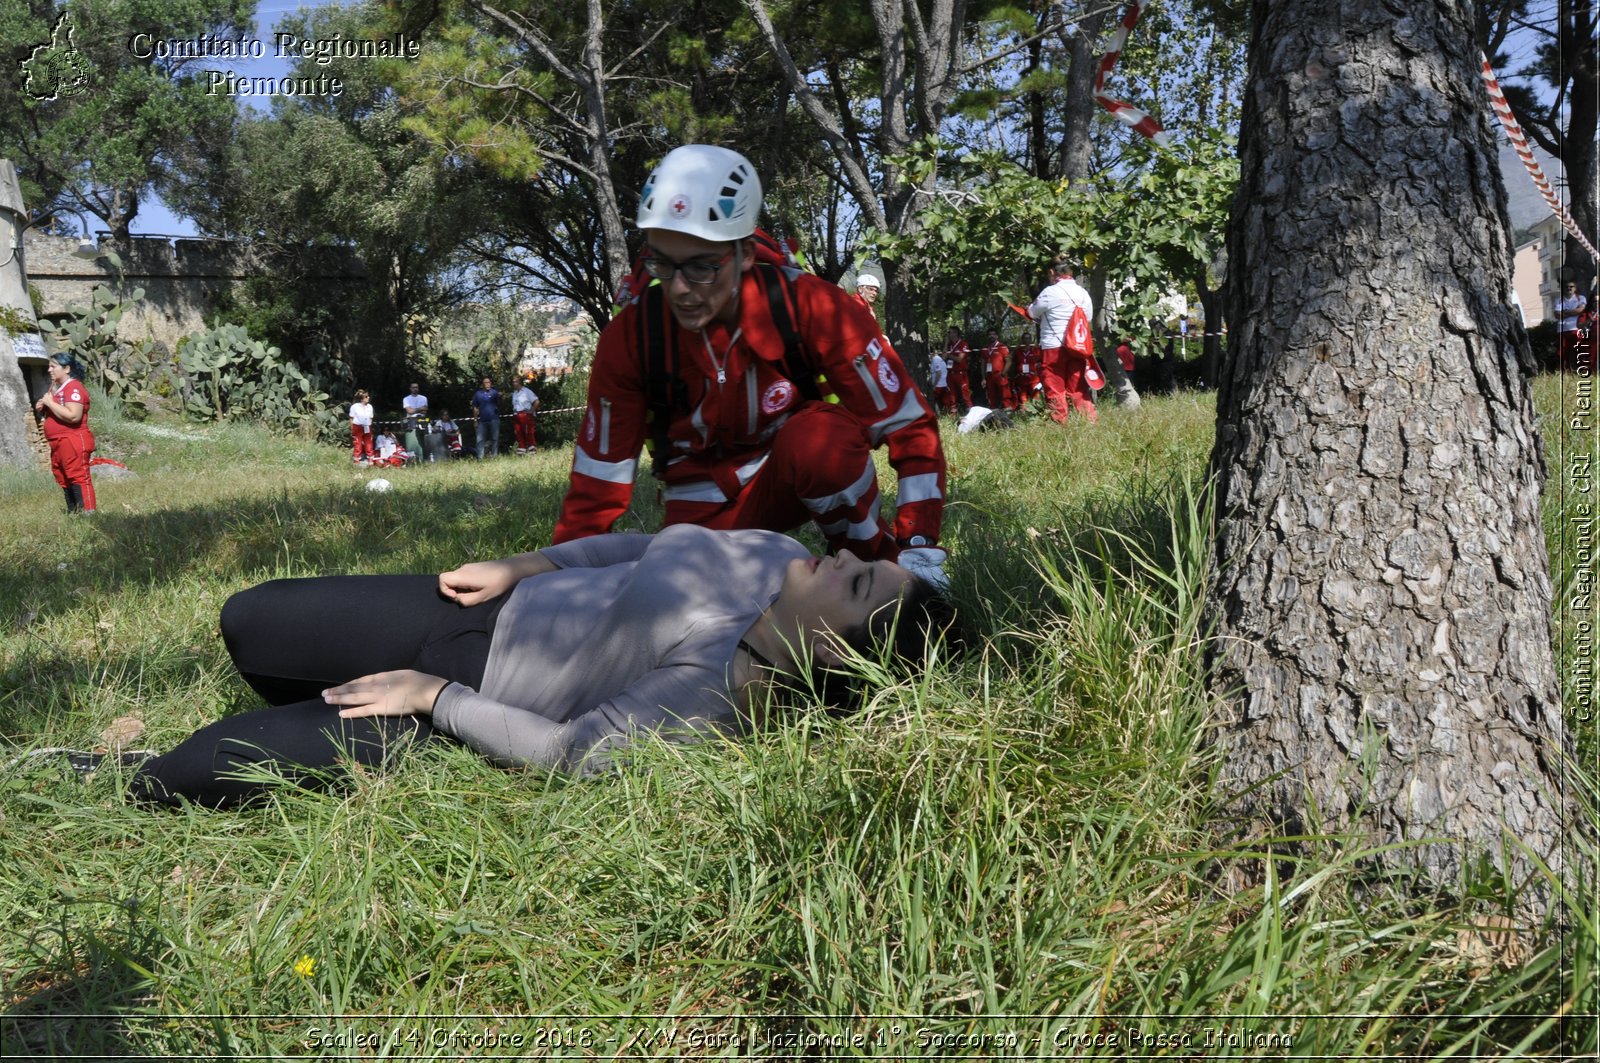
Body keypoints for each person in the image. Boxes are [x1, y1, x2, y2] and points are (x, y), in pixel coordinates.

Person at [124, 525, 952, 808]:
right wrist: (530, 564)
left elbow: (571, 750)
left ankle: (115, 769)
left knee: (190, 769)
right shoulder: (775, 551)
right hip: (477, 608)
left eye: (859, 581)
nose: (844, 553)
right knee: (249, 620)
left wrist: (433, 696)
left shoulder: (721, 691)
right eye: (863, 559)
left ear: (836, 651)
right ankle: (297, 683)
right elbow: (646, 545)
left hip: (465, 698)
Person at [555, 144, 948, 584]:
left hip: (796, 468)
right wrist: (560, 579)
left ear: (745, 254)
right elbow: (596, 485)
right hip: (698, 503)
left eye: (703, 266)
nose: (681, 289)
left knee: (823, 440)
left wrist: (920, 545)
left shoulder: (812, 306)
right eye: (663, 263)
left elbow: (908, 427)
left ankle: (870, 568)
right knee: (689, 604)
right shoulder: (631, 336)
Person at [1028, 255, 1097, 424]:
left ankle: (1060, 426)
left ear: (1052, 272)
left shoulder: (1050, 292)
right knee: (1079, 389)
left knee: (1055, 389)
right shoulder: (1082, 292)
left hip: (1053, 347)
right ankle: (1090, 424)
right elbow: (1088, 317)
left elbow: (1032, 312)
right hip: (1077, 347)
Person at [34, 352, 96, 514]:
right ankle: (74, 512)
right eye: (49, 366)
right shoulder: (59, 390)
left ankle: (88, 513)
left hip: (73, 439)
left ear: (67, 368)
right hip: (58, 442)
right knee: (62, 476)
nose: (49, 370)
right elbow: (59, 411)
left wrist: (50, 403)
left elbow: (73, 416)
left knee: (77, 475)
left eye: (53, 366)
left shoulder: (74, 387)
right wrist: (45, 406)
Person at [1556, 281, 1589, 372]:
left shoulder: (1581, 298)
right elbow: (1557, 315)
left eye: (1571, 286)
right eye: (1566, 287)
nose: (1569, 288)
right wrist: (1574, 312)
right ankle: (1564, 371)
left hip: (1576, 328)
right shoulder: (1559, 300)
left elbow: (1581, 310)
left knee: (1578, 350)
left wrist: (1565, 312)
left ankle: (1580, 369)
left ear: (1575, 288)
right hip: (1562, 329)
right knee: (1562, 352)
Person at [941, 326, 972, 412]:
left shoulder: (963, 344)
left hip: (961, 373)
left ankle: (970, 412)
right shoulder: (949, 345)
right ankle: (953, 415)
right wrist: (946, 343)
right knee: (951, 395)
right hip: (950, 373)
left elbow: (959, 359)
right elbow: (943, 357)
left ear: (957, 333)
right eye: (949, 332)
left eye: (953, 332)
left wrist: (949, 355)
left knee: (965, 393)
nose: (951, 334)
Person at [981, 330, 1013, 411]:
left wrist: (1003, 373)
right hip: (989, 376)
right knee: (991, 396)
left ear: (997, 336)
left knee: (1005, 395)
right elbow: (983, 364)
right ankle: (994, 414)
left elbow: (1009, 361)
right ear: (987, 336)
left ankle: (1008, 412)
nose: (991, 336)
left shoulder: (1002, 347)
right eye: (989, 334)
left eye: (993, 334)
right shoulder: (985, 348)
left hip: (1000, 375)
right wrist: (984, 378)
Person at [471, 377, 501, 458]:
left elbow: (499, 404)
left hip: (494, 419)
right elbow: (475, 408)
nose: (488, 384)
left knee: (495, 439)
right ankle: (480, 457)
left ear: (491, 383)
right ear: (482, 384)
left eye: (489, 382)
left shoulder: (495, 393)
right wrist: (475, 420)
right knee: (480, 440)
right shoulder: (478, 394)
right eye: (485, 382)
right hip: (482, 421)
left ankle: (494, 456)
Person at [511, 378, 540, 454]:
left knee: (528, 433)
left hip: (525, 415)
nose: (514, 383)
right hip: (516, 415)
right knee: (518, 433)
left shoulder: (527, 391)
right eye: (513, 382)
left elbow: (536, 401)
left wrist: (531, 411)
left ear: (520, 382)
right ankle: (521, 451)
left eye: (515, 382)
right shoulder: (514, 393)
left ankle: (532, 451)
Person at [349, 389, 375, 466]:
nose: (368, 398)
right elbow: (351, 418)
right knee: (358, 443)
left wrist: (370, 426)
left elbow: (371, 417)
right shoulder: (355, 407)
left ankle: (370, 459)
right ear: (361, 399)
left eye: (368, 396)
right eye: (366, 397)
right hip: (357, 427)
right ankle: (357, 460)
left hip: (367, 426)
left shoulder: (370, 407)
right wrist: (352, 428)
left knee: (369, 443)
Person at [929, 348, 953, 413]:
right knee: (944, 403)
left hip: (938, 386)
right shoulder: (941, 360)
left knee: (932, 401)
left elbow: (938, 373)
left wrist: (934, 385)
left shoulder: (935, 359)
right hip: (944, 385)